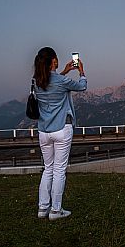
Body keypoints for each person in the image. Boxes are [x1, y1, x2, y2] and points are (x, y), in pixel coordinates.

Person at [34, 47, 87, 221]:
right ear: (53, 61)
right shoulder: (62, 81)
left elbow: (51, 81)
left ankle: (43, 208)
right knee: (59, 171)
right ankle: (56, 211)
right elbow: (82, 87)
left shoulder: (36, 81)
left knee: (47, 169)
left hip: (44, 131)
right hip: (62, 129)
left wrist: (64, 70)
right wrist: (81, 71)